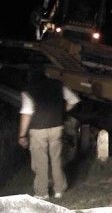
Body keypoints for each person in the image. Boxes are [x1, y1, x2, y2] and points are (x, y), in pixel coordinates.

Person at [18, 69, 80, 199]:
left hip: (38, 130)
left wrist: (22, 135)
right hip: (56, 127)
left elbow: (26, 114)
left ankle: (42, 193)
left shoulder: (28, 90)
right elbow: (73, 100)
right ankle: (59, 190)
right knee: (56, 159)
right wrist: (62, 112)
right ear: (46, 74)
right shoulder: (58, 85)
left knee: (40, 161)